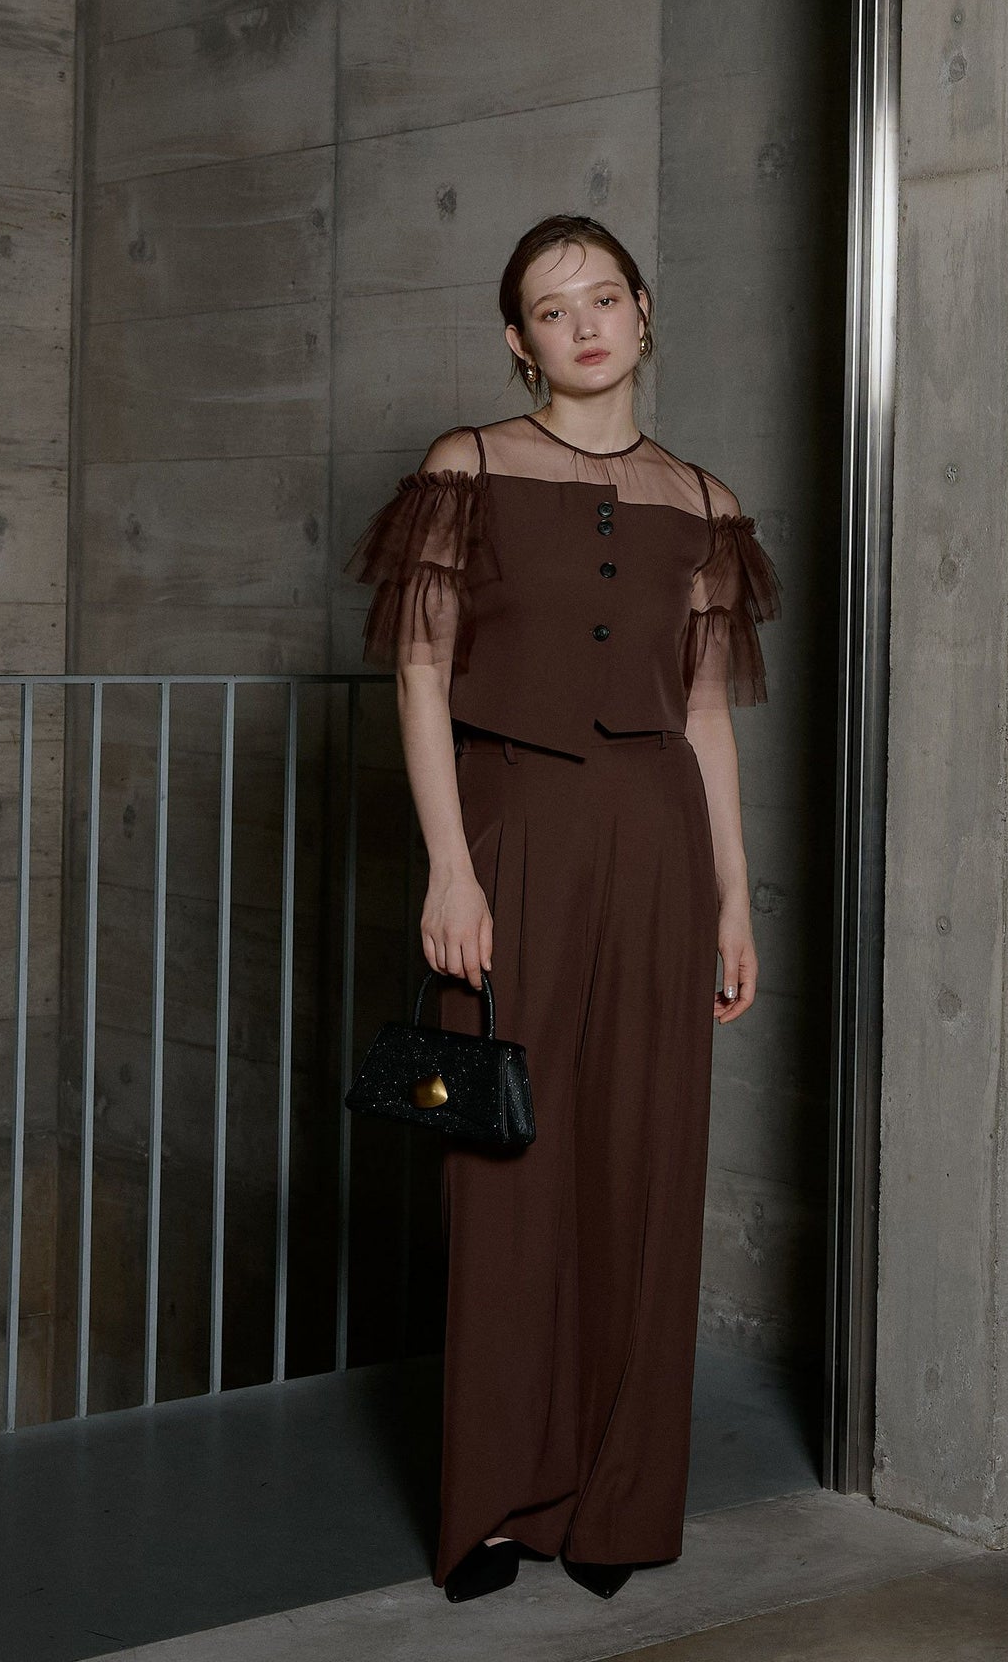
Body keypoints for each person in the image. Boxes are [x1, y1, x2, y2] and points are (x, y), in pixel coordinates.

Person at [343, 213, 782, 1604]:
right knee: (507, 1166)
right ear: (518, 341)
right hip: (513, 833)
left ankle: (617, 1508)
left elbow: (706, 718)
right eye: (552, 307)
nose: (584, 324)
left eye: (604, 297)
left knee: (645, 1165)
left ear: (645, 312)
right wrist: (450, 865)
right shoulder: (465, 468)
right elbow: (422, 675)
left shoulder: (704, 501)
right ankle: (493, 1505)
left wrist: (735, 897)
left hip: (659, 846)